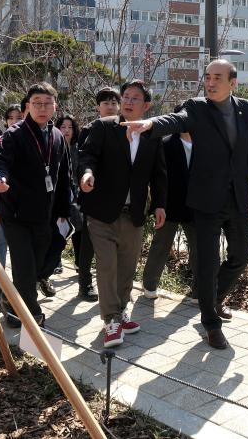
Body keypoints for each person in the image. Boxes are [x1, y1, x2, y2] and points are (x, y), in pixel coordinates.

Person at [123, 59, 248, 350]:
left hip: (237, 198)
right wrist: (150, 124)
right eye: (207, 77)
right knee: (207, 262)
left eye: (217, 78)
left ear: (232, 82)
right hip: (205, 200)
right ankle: (210, 323)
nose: (210, 82)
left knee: (241, 256)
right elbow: (175, 120)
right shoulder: (197, 107)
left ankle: (213, 299)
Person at [78, 79, 167, 348]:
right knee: (107, 266)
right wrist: (87, 173)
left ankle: (120, 310)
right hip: (102, 213)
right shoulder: (104, 127)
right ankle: (111, 321)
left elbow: (159, 174)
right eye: (125, 96)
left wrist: (160, 204)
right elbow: (87, 156)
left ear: (146, 105)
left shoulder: (153, 134)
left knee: (127, 268)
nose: (128, 101)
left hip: (134, 214)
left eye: (135, 98)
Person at [0, 83, 72, 328]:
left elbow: (63, 176)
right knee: (24, 265)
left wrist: (64, 210)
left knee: (40, 263)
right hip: (16, 213)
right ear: (28, 106)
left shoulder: (57, 136)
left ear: (55, 106)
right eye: (37, 104)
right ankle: (32, 316)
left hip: (44, 214)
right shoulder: (14, 134)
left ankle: (10, 302)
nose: (42, 108)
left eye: (47, 104)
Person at [141, 106, 197, 301]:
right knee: (161, 246)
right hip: (168, 205)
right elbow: (156, 177)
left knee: (199, 248)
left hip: (195, 206)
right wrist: (158, 204)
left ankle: (199, 289)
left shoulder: (204, 143)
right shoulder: (165, 143)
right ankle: (149, 285)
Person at [74, 87, 121, 302]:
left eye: (113, 103)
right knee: (89, 243)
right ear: (98, 107)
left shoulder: (124, 127)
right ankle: (85, 283)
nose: (110, 107)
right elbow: (83, 160)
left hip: (118, 195)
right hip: (93, 193)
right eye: (105, 103)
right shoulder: (90, 129)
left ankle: (114, 287)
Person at [37, 113, 82, 296]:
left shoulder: (78, 150)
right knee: (49, 241)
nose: (66, 131)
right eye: (63, 127)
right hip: (46, 203)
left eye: (70, 127)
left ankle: (43, 275)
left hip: (69, 201)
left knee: (62, 238)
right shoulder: (49, 145)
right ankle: (42, 275)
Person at [0, 104, 23, 295]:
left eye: (19, 117)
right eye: (11, 118)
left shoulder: (32, 141)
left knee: (21, 247)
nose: (15, 121)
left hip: (25, 205)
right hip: (3, 203)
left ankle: (22, 285)